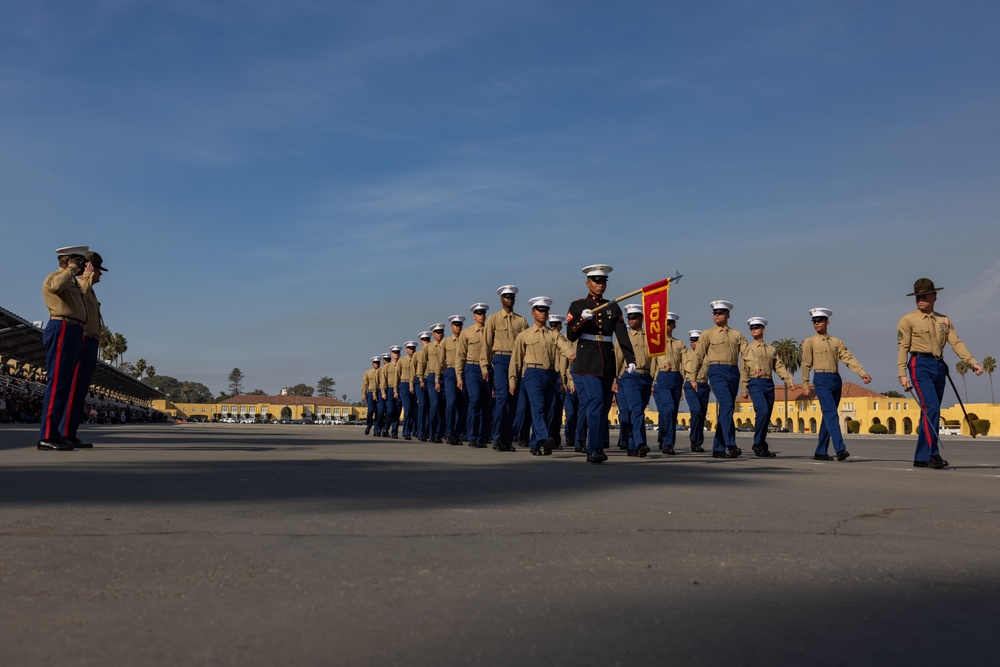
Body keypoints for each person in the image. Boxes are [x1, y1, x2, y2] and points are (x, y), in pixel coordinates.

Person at [897, 279, 983, 469]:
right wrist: (902, 373)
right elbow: (902, 347)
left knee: (928, 412)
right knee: (932, 408)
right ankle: (932, 455)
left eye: (924, 296)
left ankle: (920, 457)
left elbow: (956, 343)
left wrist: (972, 362)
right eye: (917, 296)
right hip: (919, 365)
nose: (920, 299)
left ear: (934, 297)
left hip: (938, 366)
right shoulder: (907, 320)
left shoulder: (944, 320)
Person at [566, 264, 635, 464]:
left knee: (603, 406)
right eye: (596, 281)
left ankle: (596, 445)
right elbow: (571, 334)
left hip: (607, 361)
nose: (600, 285)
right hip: (587, 362)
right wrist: (581, 319)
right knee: (595, 401)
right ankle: (593, 448)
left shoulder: (613, 307)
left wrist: (631, 359)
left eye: (603, 281)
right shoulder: (577, 305)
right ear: (588, 283)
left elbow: (622, 335)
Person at [690, 301, 759, 459]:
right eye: (715, 313)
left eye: (720, 313)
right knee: (727, 405)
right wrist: (692, 377)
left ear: (728, 315)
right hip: (716, 371)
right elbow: (698, 356)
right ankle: (731, 444)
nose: (717, 315)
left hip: (733, 372)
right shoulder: (707, 334)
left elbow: (747, 352)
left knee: (726, 410)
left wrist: (755, 367)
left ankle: (718, 448)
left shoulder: (737, 335)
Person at [38, 245, 91, 451]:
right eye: (78, 260)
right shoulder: (55, 276)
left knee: (66, 386)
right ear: (67, 259)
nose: (81, 264)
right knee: (58, 384)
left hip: (75, 331)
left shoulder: (73, 283)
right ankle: (48, 435)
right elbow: (54, 288)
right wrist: (70, 269)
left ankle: (57, 433)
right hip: (62, 327)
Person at [801, 308, 871, 461]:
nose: (816, 323)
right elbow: (805, 364)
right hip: (820, 378)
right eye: (814, 321)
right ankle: (840, 448)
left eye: (819, 320)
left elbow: (848, 358)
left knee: (828, 415)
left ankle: (821, 451)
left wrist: (862, 373)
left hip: (835, 379)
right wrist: (805, 386)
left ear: (827, 322)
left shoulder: (836, 342)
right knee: (831, 413)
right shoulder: (809, 342)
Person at [509, 297, 577, 455]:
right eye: (540, 310)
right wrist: (513, 380)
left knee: (546, 409)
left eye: (546, 311)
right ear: (533, 313)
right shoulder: (524, 336)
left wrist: (571, 354)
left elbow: (564, 345)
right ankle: (545, 437)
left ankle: (535, 444)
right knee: (538, 408)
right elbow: (516, 360)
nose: (543, 313)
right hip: (532, 374)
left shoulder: (553, 335)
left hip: (551, 374)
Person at [64, 250, 108, 449]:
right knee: (73, 389)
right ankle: (64, 432)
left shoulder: (90, 289)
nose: (100, 274)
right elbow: (78, 299)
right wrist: (87, 276)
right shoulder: (79, 285)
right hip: (81, 338)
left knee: (80, 391)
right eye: (97, 269)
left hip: (91, 341)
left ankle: (70, 433)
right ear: (88, 268)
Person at [481, 285, 529, 451]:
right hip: (500, 359)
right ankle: (497, 436)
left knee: (514, 401)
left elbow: (527, 345)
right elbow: (486, 345)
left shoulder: (521, 321)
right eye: (507, 297)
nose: (510, 300)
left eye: (512, 297)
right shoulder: (493, 319)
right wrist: (485, 367)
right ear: (501, 300)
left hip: (517, 361)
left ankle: (508, 439)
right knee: (502, 398)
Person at [740, 317, 795, 458]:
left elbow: (779, 367)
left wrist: (788, 379)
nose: (753, 330)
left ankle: (762, 446)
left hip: (769, 384)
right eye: (751, 328)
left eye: (756, 327)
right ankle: (757, 443)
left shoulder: (771, 350)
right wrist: (744, 388)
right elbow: (744, 369)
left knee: (767, 416)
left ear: (763, 330)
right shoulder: (748, 349)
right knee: (762, 411)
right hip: (755, 383)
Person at [614, 304, 654, 457]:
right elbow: (618, 360)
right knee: (636, 410)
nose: (630, 320)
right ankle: (640, 443)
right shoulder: (624, 337)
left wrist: (654, 380)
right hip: (630, 377)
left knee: (636, 411)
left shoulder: (650, 336)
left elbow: (656, 358)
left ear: (642, 318)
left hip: (646, 377)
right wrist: (614, 380)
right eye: (629, 317)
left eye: (634, 317)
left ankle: (632, 445)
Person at [650, 311, 686, 455]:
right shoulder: (656, 343)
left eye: (669, 323)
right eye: (665, 323)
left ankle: (666, 440)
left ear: (674, 325)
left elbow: (684, 365)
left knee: (672, 412)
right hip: (662, 377)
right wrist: (652, 382)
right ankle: (666, 442)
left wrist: (684, 384)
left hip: (676, 377)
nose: (667, 326)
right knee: (668, 408)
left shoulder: (680, 344)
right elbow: (653, 363)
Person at [457, 303, 489, 448]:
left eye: (483, 313)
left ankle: (482, 436)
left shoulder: (490, 331)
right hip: (471, 368)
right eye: (478, 313)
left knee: (485, 403)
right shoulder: (467, 333)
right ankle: (472, 435)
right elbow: (460, 356)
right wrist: (459, 376)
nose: (481, 316)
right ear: (474, 316)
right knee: (474, 399)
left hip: (487, 369)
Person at [439, 315, 467, 445]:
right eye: (456, 325)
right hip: (450, 372)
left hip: (463, 371)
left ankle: (458, 432)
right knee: (451, 402)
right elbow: (440, 362)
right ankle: (449, 433)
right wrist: (437, 380)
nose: (458, 327)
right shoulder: (446, 342)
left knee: (462, 404)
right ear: (451, 326)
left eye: (460, 325)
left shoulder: (465, 339)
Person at [682, 330, 710, 452]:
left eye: (697, 341)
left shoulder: (707, 356)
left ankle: (698, 442)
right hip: (690, 385)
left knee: (701, 414)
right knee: (696, 410)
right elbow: (682, 371)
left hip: (703, 385)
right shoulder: (686, 355)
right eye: (692, 341)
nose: (694, 343)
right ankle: (694, 441)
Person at [424, 324, 446, 443]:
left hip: (444, 376)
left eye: (441, 332)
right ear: (433, 334)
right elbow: (422, 363)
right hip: (432, 377)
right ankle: (432, 432)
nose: (439, 334)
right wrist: (421, 378)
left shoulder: (446, 345)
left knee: (443, 406)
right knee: (434, 404)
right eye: (437, 332)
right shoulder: (428, 348)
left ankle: (439, 433)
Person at [412, 332, 432, 441]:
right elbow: (412, 370)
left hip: (431, 380)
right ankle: (420, 431)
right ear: (421, 342)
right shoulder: (417, 355)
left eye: (427, 339)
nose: (426, 342)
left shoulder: (434, 351)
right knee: (422, 405)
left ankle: (428, 430)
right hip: (420, 380)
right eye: (424, 340)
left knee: (431, 406)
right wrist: (412, 383)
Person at [398, 341, 418, 440]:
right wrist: (395, 390)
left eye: (413, 348)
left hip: (415, 384)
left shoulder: (418, 359)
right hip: (404, 384)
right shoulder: (401, 361)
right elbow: (397, 376)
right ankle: (406, 431)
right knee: (407, 407)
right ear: (406, 349)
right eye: (409, 348)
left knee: (414, 409)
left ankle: (414, 430)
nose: (411, 350)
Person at [384, 345, 403, 438]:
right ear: (391, 354)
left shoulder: (402, 364)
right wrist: (383, 392)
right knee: (390, 410)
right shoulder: (387, 367)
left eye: (398, 352)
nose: (396, 354)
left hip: (400, 389)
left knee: (397, 411)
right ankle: (386, 428)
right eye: (394, 352)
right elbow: (383, 380)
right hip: (390, 389)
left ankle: (394, 432)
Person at [362, 356, 380, 435]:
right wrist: (363, 394)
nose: (377, 364)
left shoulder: (381, 371)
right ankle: (369, 425)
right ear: (372, 364)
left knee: (378, 411)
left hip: (379, 393)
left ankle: (376, 430)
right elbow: (365, 384)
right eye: (375, 363)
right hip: (370, 392)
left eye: (378, 363)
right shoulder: (368, 372)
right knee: (370, 410)